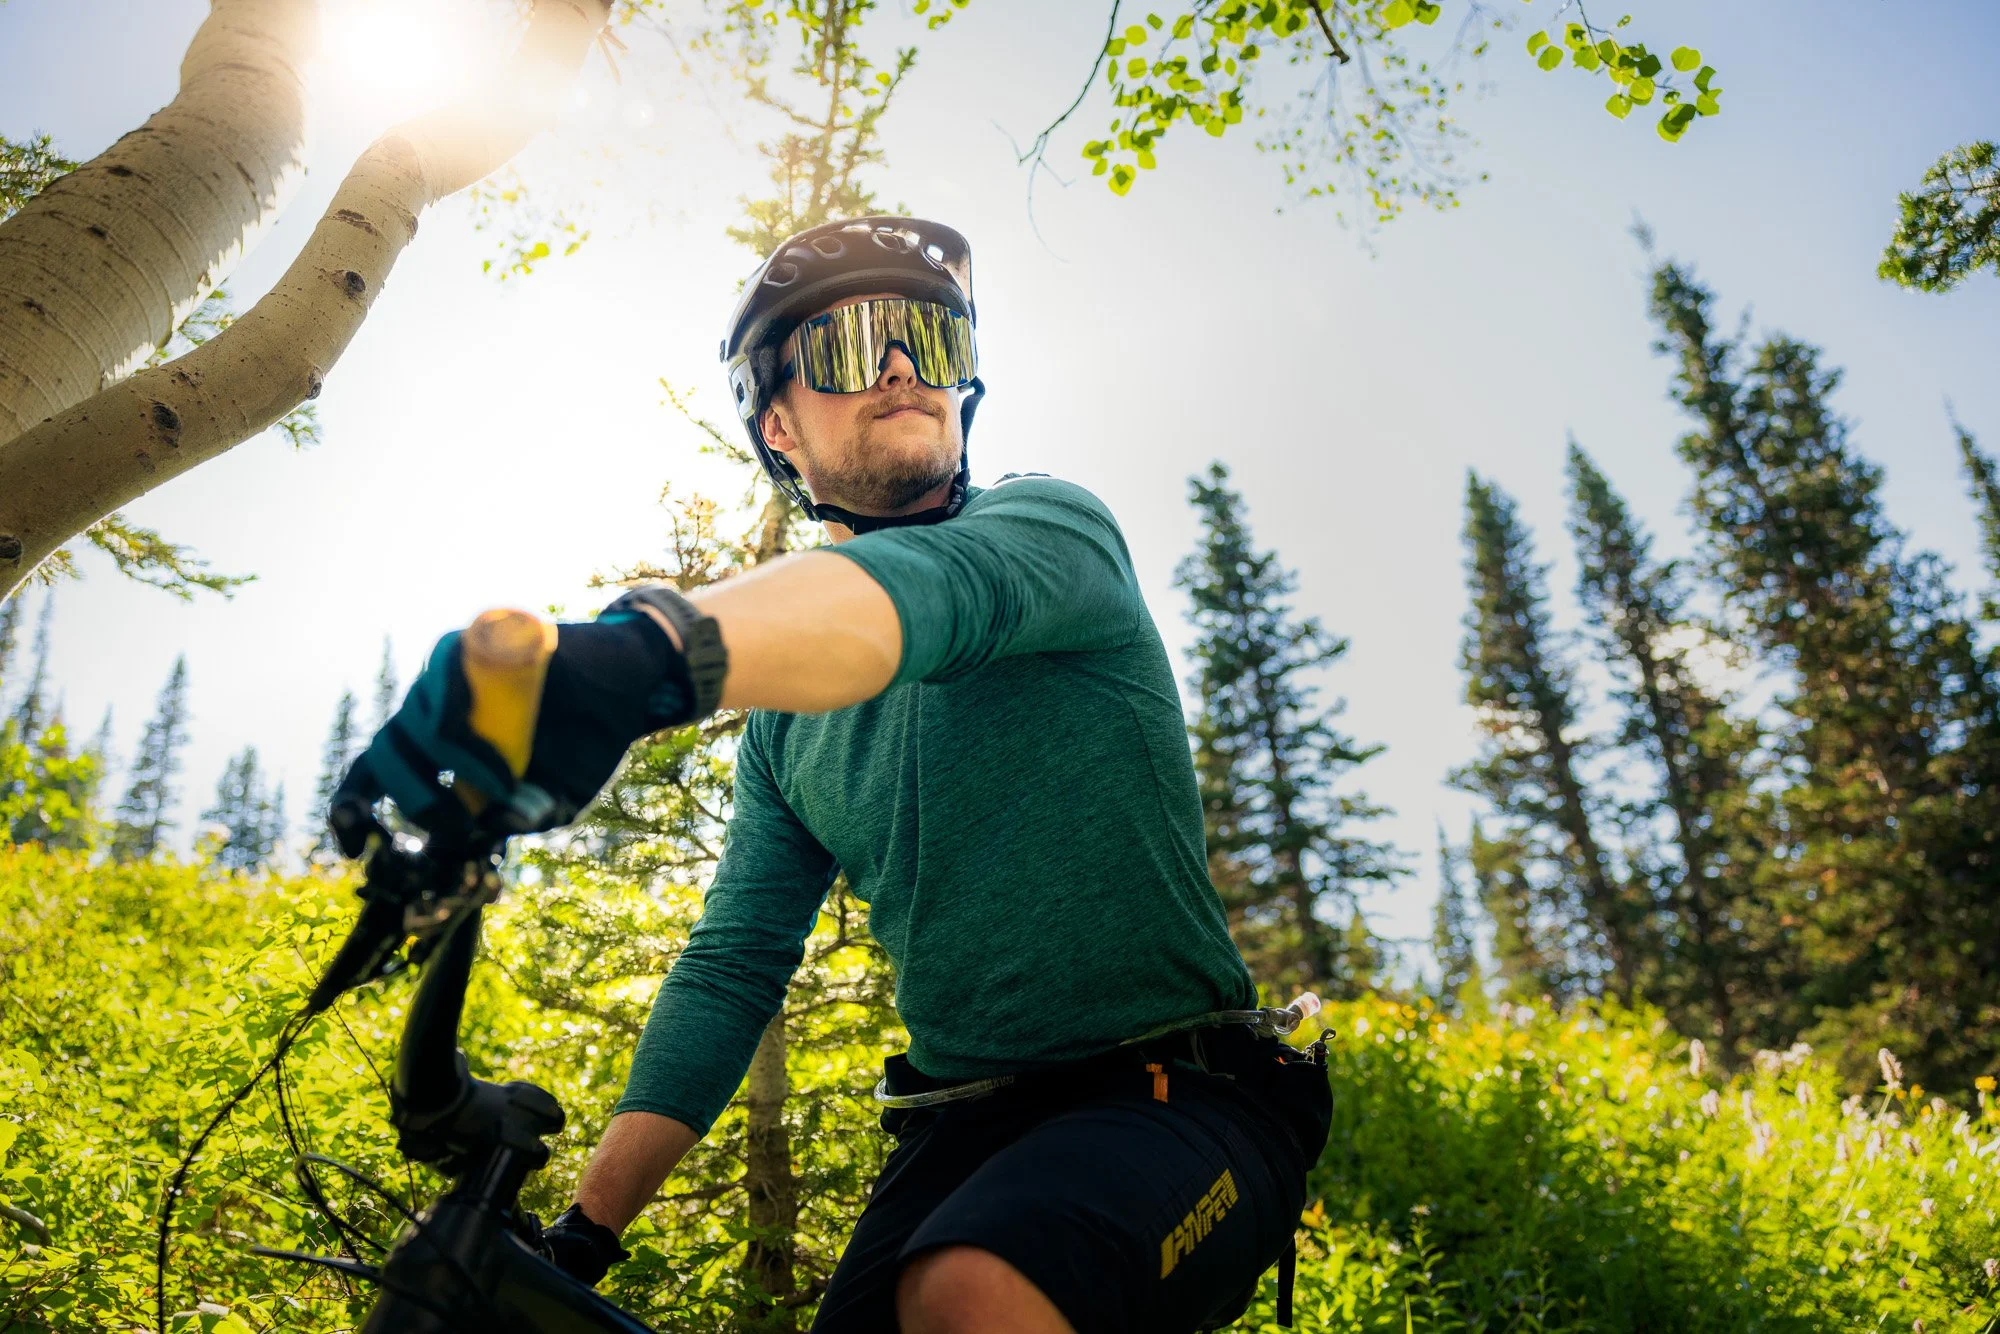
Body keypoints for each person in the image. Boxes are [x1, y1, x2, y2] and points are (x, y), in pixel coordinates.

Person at [333, 215, 1330, 1334]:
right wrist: (580, 1235)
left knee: (972, 1290)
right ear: (779, 429)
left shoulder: (1053, 532)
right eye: (853, 347)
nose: (901, 367)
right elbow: (730, 966)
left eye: (927, 340)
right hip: (952, 1132)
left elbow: (931, 596)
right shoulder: (786, 733)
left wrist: (640, 654)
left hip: (1178, 1096)